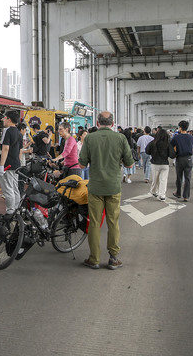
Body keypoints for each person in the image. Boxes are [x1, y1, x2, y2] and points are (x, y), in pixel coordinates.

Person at [78, 111, 134, 270]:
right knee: (113, 222)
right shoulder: (121, 138)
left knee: (95, 223)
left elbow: (82, 165)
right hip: (113, 187)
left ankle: (94, 259)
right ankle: (113, 258)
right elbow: (130, 164)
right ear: (113, 123)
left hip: (95, 187)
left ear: (97, 123)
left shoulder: (89, 138)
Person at [0, 110, 22, 214]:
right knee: (15, 188)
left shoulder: (7, 131)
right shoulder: (19, 132)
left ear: (9, 119)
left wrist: (1, 165)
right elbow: (20, 150)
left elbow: (5, 149)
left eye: (4, 117)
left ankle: (10, 212)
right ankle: (17, 210)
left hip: (8, 165)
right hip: (16, 164)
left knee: (8, 189)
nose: (3, 119)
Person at [171, 120, 193, 202]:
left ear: (180, 128)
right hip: (189, 158)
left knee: (179, 177)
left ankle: (178, 193)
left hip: (179, 158)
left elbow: (171, 147)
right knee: (187, 178)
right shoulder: (191, 137)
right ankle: (186, 196)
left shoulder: (176, 137)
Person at [146, 128, 175, 201]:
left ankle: (153, 191)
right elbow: (172, 155)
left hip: (155, 164)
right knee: (163, 180)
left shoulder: (153, 142)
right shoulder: (167, 143)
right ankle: (162, 195)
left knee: (155, 179)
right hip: (164, 164)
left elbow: (147, 151)